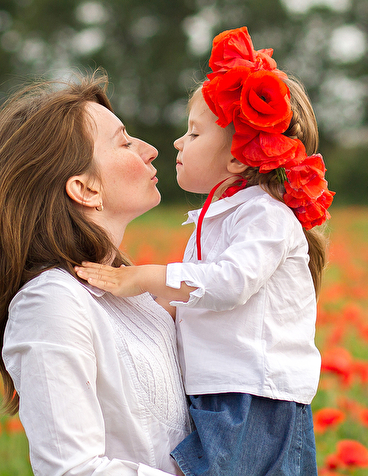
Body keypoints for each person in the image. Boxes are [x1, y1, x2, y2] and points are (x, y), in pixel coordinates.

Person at [75, 27, 334, 476]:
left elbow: (231, 283)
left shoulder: (265, 215)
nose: (177, 143)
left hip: (254, 397)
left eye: (193, 134)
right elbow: (201, 300)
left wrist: (145, 278)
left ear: (237, 158)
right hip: (227, 390)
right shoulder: (223, 217)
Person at [0, 72, 191, 476]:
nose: (151, 150)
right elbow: (71, 470)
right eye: (124, 142)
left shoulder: (133, 294)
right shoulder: (50, 302)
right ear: (85, 189)